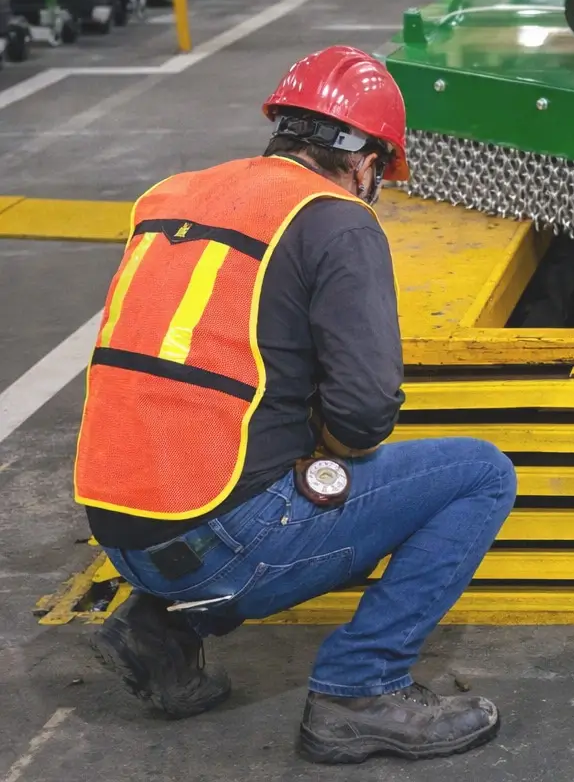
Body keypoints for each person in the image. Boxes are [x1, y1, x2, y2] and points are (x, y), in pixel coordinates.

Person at [74, 45, 517, 764]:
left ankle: (160, 629)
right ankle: (359, 691)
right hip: (225, 546)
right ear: (367, 160)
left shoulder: (175, 195)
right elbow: (366, 412)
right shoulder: (337, 221)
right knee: (480, 474)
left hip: (121, 536)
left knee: (234, 434)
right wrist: (325, 447)